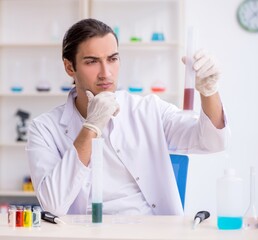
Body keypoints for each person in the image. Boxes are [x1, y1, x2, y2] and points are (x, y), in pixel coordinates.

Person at [26, 18, 230, 216]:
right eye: (92, 62)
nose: (105, 73)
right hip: (86, 232)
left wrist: (209, 91)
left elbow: (212, 143)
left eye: (112, 59)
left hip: (149, 230)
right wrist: (91, 127)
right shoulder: (44, 128)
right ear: (70, 67)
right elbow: (53, 205)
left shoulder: (147, 109)